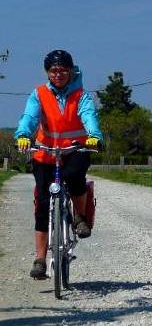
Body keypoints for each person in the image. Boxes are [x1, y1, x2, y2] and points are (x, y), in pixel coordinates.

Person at [15, 50, 103, 279]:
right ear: (47, 73)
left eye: (63, 70)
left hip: (76, 149)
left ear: (72, 70)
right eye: (54, 70)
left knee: (74, 176)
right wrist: (24, 134)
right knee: (43, 204)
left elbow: (88, 115)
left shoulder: (81, 95)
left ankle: (80, 217)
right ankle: (40, 259)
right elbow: (30, 117)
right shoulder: (39, 94)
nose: (58, 74)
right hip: (46, 152)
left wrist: (94, 135)